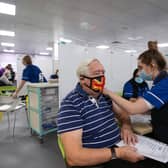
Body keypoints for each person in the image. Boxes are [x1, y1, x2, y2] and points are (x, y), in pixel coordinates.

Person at [57, 58, 168, 168]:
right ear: (82, 79)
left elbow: (123, 115)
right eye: (97, 73)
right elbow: (74, 157)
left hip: (121, 147)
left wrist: (126, 127)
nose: (101, 77)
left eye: (103, 73)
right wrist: (118, 153)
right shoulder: (70, 105)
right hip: (102, 160)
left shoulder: (104, 96)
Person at [103, 49, 168, 146]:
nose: (139, 72)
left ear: (152, 66)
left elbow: (133, 109)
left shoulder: (164, 84)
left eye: (141, 67)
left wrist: (108, 92)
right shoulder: (158, 83)